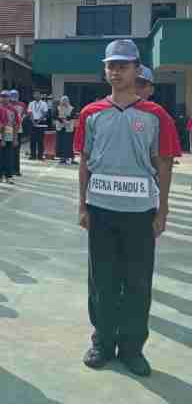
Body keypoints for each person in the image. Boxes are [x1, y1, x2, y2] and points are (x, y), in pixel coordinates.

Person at [75, 39, 180, 377]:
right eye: (111, 65)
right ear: (105, 70)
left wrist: (162, 211)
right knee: (102, 280)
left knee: (137, 282)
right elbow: (85, 162)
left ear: (137, 69)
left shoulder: (156, 116)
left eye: (123, 65)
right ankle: (103, 342)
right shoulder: (91, 113)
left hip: (140, 213)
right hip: (101, 209)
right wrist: (82, 205)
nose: (116, 71)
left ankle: (132, 348)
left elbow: (164, 163)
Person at [0, 91, 21, 182]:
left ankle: (8, 176)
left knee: (9, 157)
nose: (4, 99)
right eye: (2, 96)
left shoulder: (13, 110)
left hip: (9, 137)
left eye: (6, 97)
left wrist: (15, 138)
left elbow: (16, 125)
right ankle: (0, 175)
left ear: (9, 98)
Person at [28, 92, 49, 160]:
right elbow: (29, 112)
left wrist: (38, 121)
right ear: (33, 96)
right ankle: (32, 155)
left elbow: (45, 113)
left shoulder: (44, 103)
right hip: (33, 122)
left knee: (40, 141)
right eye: (35, 95)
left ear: (40, 96)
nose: (37, 96)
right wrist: (33, 121)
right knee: (32, 140)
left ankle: (40, 156)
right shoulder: (31, 103)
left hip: (41, 122)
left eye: (38, 95)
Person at [55, 95, 75, 165]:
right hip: (60, 127)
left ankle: (69, 158)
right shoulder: (58, 108)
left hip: (68, 128)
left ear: (68, 101)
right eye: (63, 100)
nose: (64, 102)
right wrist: (62, 120)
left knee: (68, 143)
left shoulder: (72, 108)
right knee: (60, 143)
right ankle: (62, 158)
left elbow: (72, 116)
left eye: (65, 100)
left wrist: (66, 120)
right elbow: (55, 115)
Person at [10, 90, 26, 176]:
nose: (14, 100)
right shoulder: (8, 105)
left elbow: (23, 116)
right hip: (9, 131)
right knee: (10, 151)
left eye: (15, 97)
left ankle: (16, 170)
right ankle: (11, 169)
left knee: (16, 151)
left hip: (18, 130)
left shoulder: (22, 105)